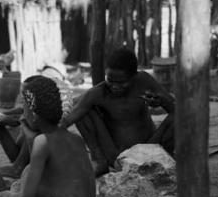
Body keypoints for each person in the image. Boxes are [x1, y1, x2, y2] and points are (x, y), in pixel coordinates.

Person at [59, 47, 175, 176]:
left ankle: (167, 157)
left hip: (150, 148)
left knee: (178, 116)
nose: (115, 86)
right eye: (110, 80)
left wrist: (161, 102)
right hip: (118, 156)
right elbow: (68, 120)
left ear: (134, 76)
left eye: (121, 82)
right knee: (82, 108)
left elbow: (174, 108)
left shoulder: (144, 81)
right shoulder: (99, 93)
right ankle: (99, 161)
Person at [0, 63, 73, 178]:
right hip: (19, 155)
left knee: (27, 134)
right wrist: (0, 117)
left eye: (25, 97)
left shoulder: (36, 128)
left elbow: (17, 170)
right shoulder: (26, 112)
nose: (21, 98)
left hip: (26, 165)